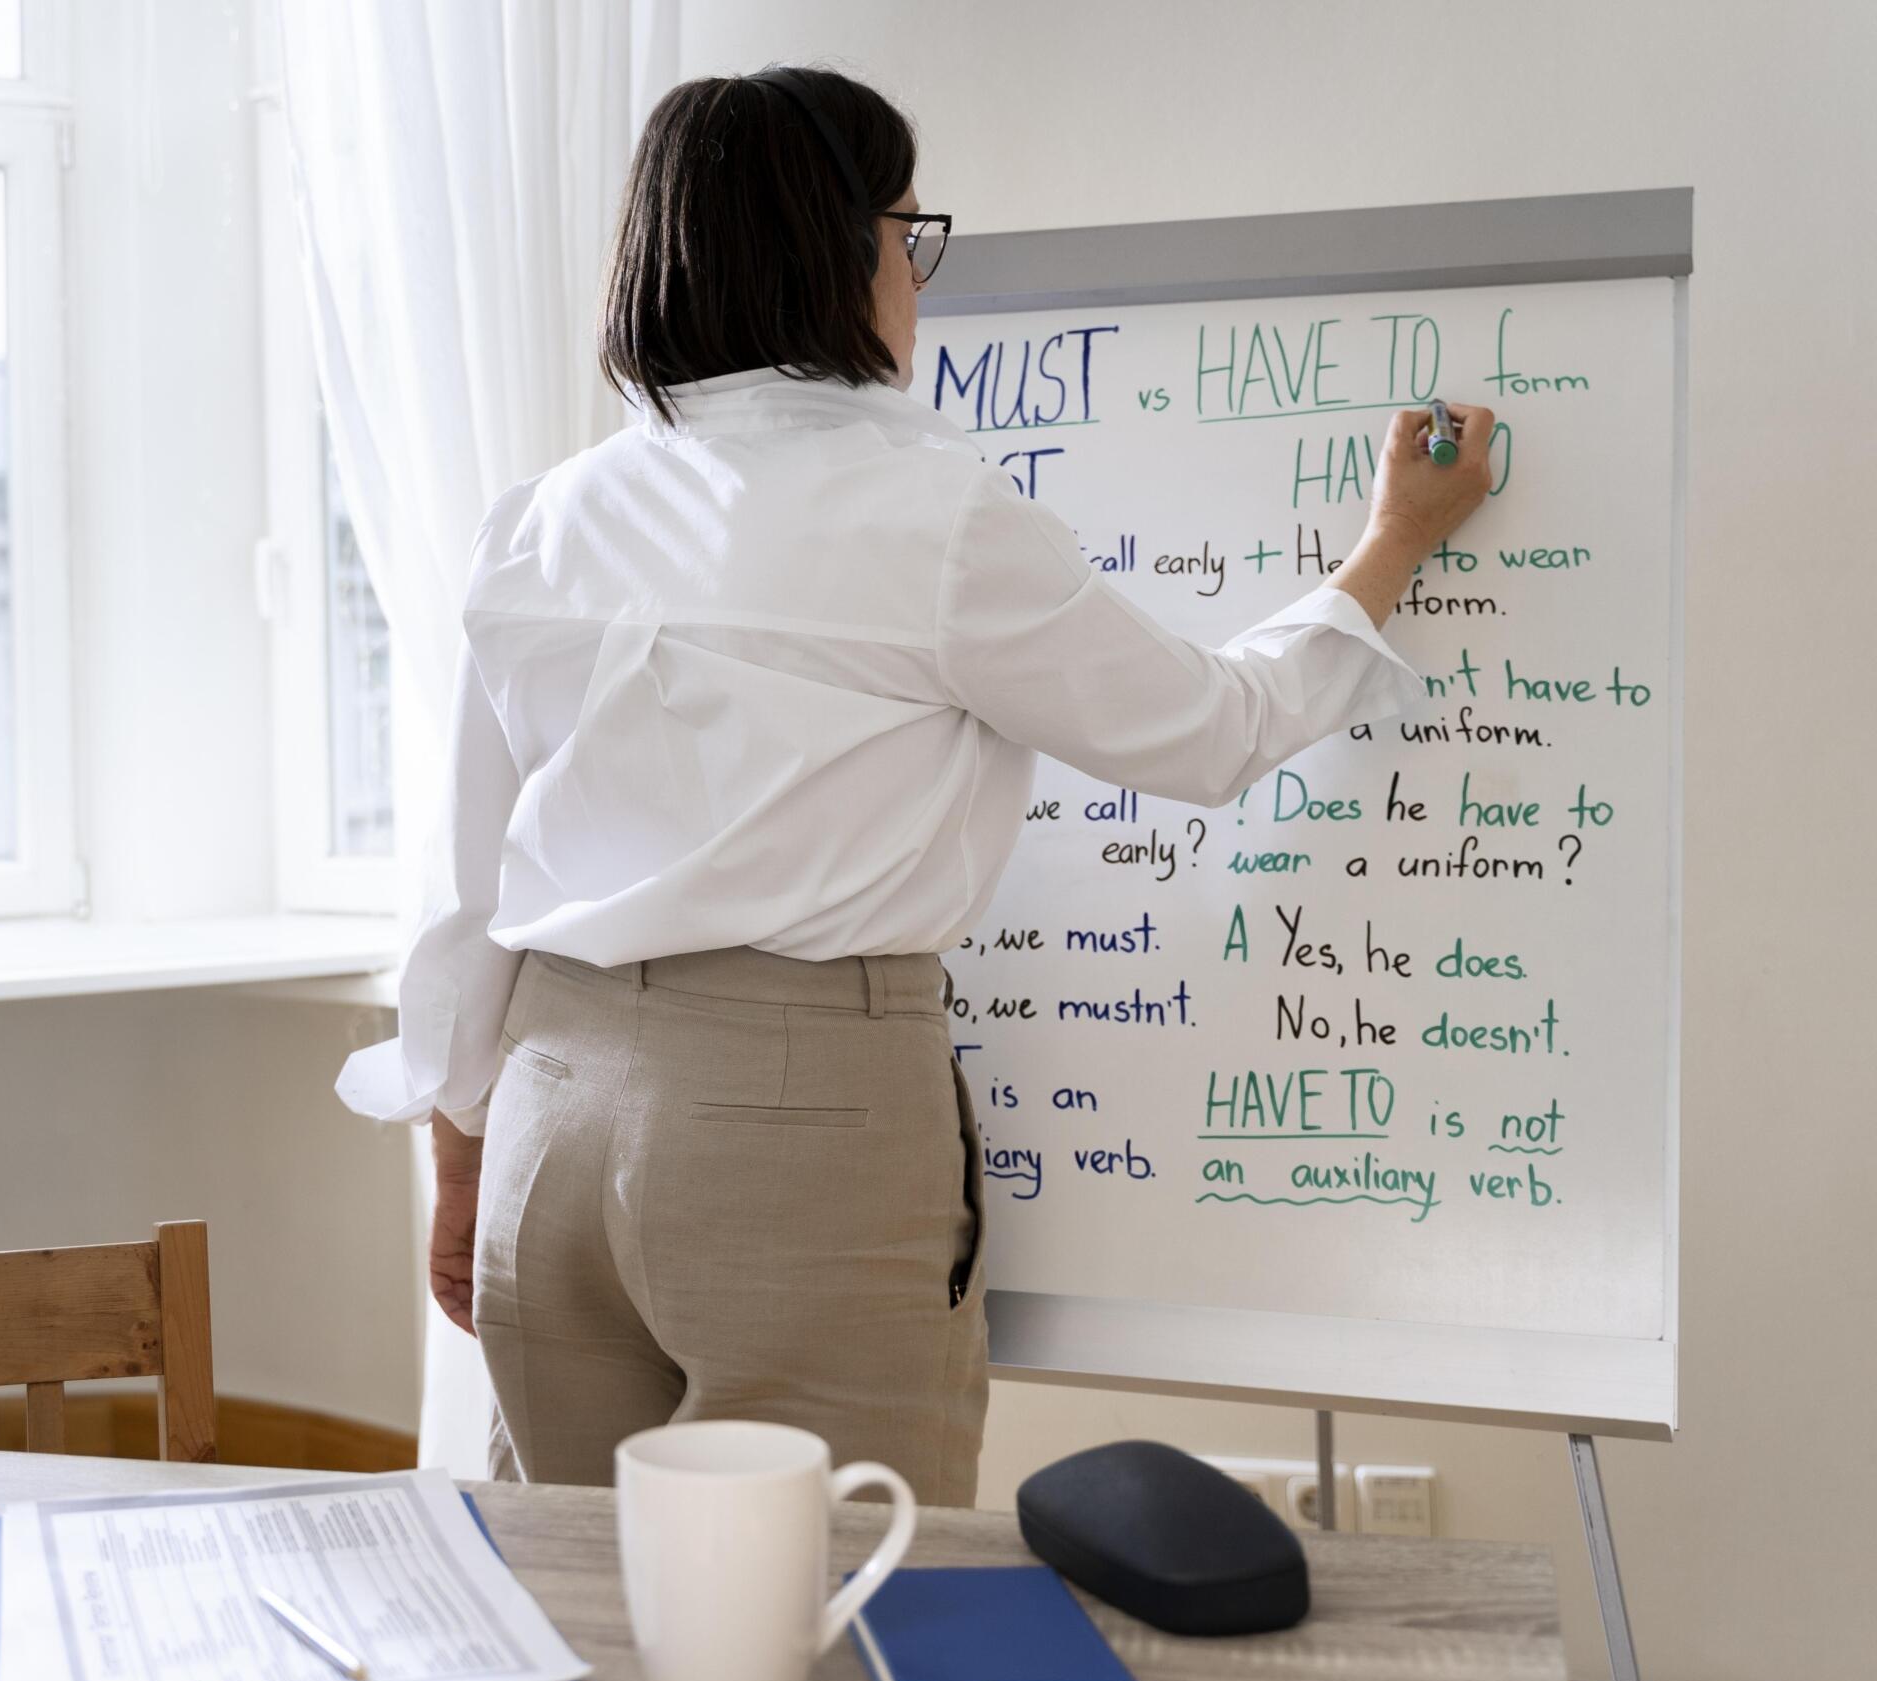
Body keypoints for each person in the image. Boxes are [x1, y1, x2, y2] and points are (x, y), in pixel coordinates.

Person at [335, 66, 1495, 1505]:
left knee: (582, 1589)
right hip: (794, 1119)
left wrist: (461, 1162)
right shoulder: (931, 515)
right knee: (850, 1586)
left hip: (546, 1107)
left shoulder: (546, 517)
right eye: (909, 235)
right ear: (840, 249)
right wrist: (1393, 547)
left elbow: (468, 881)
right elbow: (1212, 732)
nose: (916, 277)